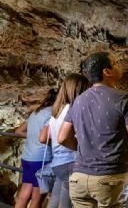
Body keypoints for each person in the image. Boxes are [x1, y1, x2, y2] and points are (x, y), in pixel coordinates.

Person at [58, 51, 128, 207]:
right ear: (107, 71)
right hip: (110, 180)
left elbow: (61, 138)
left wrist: (84, 148)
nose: (119, 66)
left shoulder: (78, 101)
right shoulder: (123, 98)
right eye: (115, 63)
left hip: (79, 179)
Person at [39, 73, 90, 208]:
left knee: (55, 201)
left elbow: (46, 137)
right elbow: (68, 137)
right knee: (65, 204)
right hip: (70, 162)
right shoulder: (74, 109)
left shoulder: (57, 111)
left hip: (58, 162)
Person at [14, 88, 57, 208]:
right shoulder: (53, 114)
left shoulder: (36, 112)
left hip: (27, 158)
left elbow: (18, 131)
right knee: (37, 198)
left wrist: (33, 137)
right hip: (41, 160)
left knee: (23, 195)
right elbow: (45, 137)